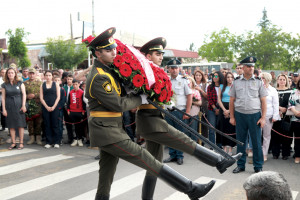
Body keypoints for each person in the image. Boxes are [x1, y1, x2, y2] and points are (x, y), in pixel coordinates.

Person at [85, 28, 215, 200]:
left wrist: (135, 89)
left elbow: (121, 95)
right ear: (97, 53)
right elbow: (118, 104)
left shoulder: (108, 72)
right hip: (107, 131)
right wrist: (141, 98)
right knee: (147, 159)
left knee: (106, 177)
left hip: (111, 128)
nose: (114, 53)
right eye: (108, 50)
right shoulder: (100, 76)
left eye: (114, 49)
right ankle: (190, 189)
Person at [138, 38, 240, 200]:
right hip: (150, 121)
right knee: (183, 139)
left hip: (157, 116)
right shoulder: (143, 72)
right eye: (157, 54)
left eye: (161, 54)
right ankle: (218, 161)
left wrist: (168, 104)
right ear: (148, 56)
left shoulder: (154, 72)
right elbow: (140, 96)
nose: (160, 57)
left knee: (153, 167)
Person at [229, 56, 268, 173]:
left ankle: (258, 166)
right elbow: (232, 100)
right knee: (240, 142)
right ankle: (240, 165)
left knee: (256, 142)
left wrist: (263, 117)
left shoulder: (259, 82)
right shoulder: (236, 82)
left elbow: (263, 101)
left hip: (254, 115)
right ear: (243, 67)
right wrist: (231, 116)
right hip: (240, 114)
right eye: (249, 66)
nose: (251, 68)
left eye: (252, 66)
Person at [164, 58, 193, 164]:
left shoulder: (184, 80)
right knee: (170, 135)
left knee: (180, 134)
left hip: (180, 110)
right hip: (168, 110)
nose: (174, 70)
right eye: (172, 68)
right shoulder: (165, 80)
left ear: (179, 68)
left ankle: (180, 156)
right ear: (169, 69)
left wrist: (188, 112)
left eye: (176, 68)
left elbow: (189, 96)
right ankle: (172, 155)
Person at [2, 67, 27, 150]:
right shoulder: (4, 84)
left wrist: (23, 105)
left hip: (19, 106)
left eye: (12, 73)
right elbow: (3, 98)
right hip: (9, 106)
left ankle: (21, 143)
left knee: (20, 125)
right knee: (11, 125)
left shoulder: (20, 83)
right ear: (7, 74)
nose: (10, 74)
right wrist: (4, 109)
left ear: (15, 74)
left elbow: (24, 94)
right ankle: (13, 143)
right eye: (9, 73)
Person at [260, 72, 280, 161]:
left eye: (263, 78)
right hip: (257, 115)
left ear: (268, 79)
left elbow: (276, 104)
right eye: (260, 78)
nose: (261, 80)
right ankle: (257, 153)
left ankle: (264, 154)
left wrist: (275, 116)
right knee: (257, 135)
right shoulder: (257, 89)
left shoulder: (273, 90)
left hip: (268, 115)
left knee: (266, 136)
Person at [271, 74, 293, 160]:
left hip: (286, 116)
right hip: (275, 115)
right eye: (280, 79)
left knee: (286, 135)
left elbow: (292, 103)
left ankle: (285, 153)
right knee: (275, 135)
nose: (282, 81)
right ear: (277, 80)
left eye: (284, 79)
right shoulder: (273, 91)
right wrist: (278, 109)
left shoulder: (290, 91)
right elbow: (270, 102)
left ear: (286, 81)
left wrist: (286, 109)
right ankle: (275, 153)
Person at [40, 70, 61, 149]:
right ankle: (48, 142)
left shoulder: (56, 84)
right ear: (44, 76)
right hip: (46, 107)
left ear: (52, 76)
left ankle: (56, 141)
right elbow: (41, 98)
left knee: (55, 124)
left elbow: (58, 97)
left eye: (49, 75)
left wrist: (53, 106)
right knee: (47, 124)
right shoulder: (42, 85)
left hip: (55, 107)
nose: (48, 77)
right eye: (46, 75)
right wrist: (47, 107)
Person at [218, 72, 236, 155]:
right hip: (223, 107)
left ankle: (230, 149)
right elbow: (219, 99)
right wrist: (224, 110)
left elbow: (236, 99)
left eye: (231, 77)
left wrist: (229, 110)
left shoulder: (235, 87)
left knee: (231, 128)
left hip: (232, 107)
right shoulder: (221, 87)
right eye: (228, 77)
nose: (229, 79)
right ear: (226, 78)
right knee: (223, 128)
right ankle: (224, 148)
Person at [24, 67, 43, 145]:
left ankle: (38, 138)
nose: (31, 75)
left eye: (33, 73)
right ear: (28, 74)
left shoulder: (40, 83)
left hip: (38, 105)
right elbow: (22, 94)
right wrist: (27, 96)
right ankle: (31, 137)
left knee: (39, 122)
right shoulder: (24, 83)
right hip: (29, 105)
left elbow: (43, 93)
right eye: (30, 73)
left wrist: (34, 95)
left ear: (35, 74)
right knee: (30, 122)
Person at [67, 79, 86, 147]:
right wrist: (68, 110)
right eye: (73, 84)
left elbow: (84, 102)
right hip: (72, 112)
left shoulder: (82, 92)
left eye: (76, 84)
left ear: (79, 84)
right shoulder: (71, 92)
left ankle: (80, 139)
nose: (75, 86)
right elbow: (68, 102)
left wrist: (83, 111)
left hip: (80, 112)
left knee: (80, 126)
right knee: (74, 126)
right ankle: (75, 139)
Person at [207, 71, 224, 147]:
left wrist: (220, 109)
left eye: (216, 76)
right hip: (211, 109)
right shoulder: (210, 87)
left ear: (220, 77)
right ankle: (212, 145)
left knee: (220, 128)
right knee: (211, 128)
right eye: (213, 76)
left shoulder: (223, 87)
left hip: (222, 109)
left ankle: (219, 144)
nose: (214, 77)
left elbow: (224, 98)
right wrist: (215, 109)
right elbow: (209, 99)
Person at [193, 70, 209, 141]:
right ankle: (195, 139)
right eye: (196, 75)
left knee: (203, 124)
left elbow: (207, 97)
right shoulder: (192, 84)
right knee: (194, 123)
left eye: (199, 75)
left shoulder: (205, 84)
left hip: (203, 107)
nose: (198, 77)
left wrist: (200, 90)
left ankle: (202, 140)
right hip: (194, 106)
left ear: (202, 76)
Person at [287, 79, 300, 164]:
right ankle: (298, 155)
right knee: (298, 139)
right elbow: (290, 103)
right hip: (296, 119)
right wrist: (296, 112)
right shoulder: (294, 92)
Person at [53, 75, 66, 145]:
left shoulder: (62, 89)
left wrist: (58, 107)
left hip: (59, 109)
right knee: (53, 124)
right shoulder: (52, 89)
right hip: (52, 109)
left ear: (60, 82)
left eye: (58, 80)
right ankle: (54, 138)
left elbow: (63, 100)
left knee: (59, 125)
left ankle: (60, 138)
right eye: (55, 80)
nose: (57, 82)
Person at [63, 74, 74, 144]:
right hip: (65, 107)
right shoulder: (64, 87)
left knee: (74, 123)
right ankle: (70, 138)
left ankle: (76, 138)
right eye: (68, 79)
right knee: (68, 124)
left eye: (70, 79)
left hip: (73, 108)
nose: (69, 80)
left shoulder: (74, 87)